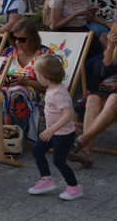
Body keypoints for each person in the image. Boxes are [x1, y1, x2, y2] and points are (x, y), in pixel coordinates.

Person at [71, 24, 117, 167]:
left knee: (114, 98)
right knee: (93, 98)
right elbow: (106, 71)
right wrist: (110, 46)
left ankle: (82, 139)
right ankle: (86, 152)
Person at [28, 55, 82, 200]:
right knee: (37, 150)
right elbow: (68, 106)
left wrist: (51, 130)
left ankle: (74, 187)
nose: (35, 76)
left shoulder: (57, 92)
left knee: (59, 161)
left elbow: (67, 113)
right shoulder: (54, 88)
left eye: (36, 73)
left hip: (63, 134)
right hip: (53, 132)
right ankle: (46, 179)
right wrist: (74, 122)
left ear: (45, 76)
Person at [0, 20, 48, 139]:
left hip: (37, 90)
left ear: (33, 38)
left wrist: (26, 82)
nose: (16, 42)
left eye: (22, 39)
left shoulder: (44, 54)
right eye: (14, 38)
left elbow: (49, 85)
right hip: (8, 87)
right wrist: (1, 77)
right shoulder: (9, 51)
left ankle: (17, 138)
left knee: (17, 92)